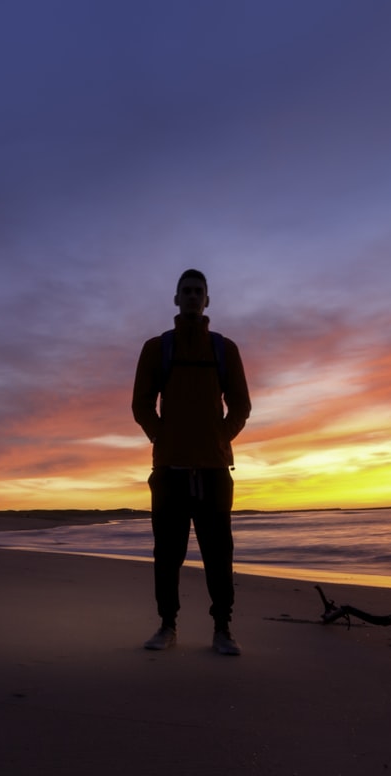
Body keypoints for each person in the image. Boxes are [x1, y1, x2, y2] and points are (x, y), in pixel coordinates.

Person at [131, 268, 252, 655]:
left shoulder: (224, 349)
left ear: (208, 300)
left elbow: (241, 405)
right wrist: (162, 438)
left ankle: (222, 629)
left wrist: (219, 438)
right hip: (169, 471)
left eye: (199, 291)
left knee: (219, 554)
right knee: (167, 554)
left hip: (215, 472)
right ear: (176, 298)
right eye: (186, 291)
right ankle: (167, 626)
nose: (193, 296)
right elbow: (141, 404)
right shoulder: (157, 348)